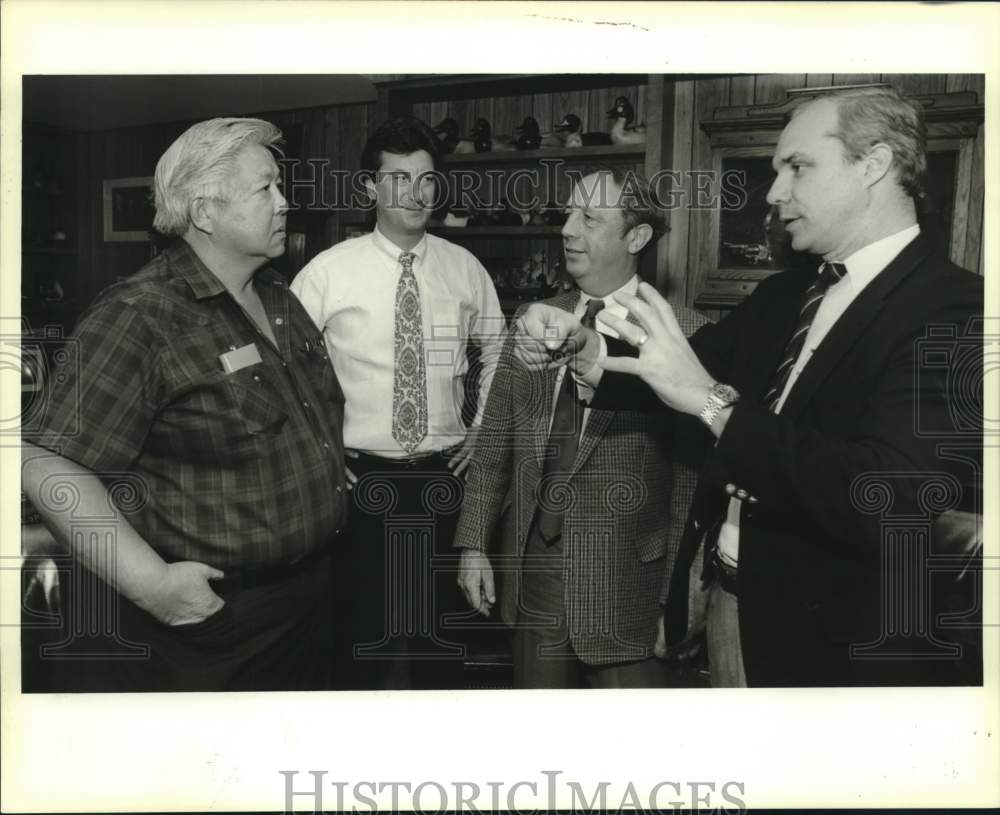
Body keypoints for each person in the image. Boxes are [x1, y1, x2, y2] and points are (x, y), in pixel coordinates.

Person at [516, 88, 983, 687]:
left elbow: (887, 497)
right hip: (728, 604)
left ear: (874, 164)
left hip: (836, 644)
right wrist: (586, 349)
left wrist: (713, 404)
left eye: (798, 166)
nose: (774, 192)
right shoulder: (783, 296)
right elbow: (673, 371)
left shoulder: (958, 309)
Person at [22, 118, 349, 692]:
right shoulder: (141, 314)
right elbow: (47, 464)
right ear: (204, 211)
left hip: (312, 602)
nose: (285, 202)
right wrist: (153, 586)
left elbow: (301, 410)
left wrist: (321, 462)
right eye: (265, 189)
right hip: (217, 625)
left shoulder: (279, 297)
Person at [453, 169, 709, 688]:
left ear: (636, 237)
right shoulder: (535, 317)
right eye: (569, 213)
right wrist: (473, 545)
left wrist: (678, 594)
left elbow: (691, 483)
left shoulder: (685, 333)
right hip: (533, 570)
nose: (567, 228)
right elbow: (497, 440)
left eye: (590, 218)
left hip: (630, 587)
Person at [290, 116, 505, 690]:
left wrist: (482, 426)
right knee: (359, 647)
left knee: (442, 645)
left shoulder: (466, 269)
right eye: (399, 178)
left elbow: (500, 350)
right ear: (369, 189)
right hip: (359, 486)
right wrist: (320, 454)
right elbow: (286, 374)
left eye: (427, 179)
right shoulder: (326, 274)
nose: (416, 193)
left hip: (445, 483)